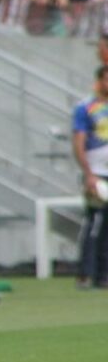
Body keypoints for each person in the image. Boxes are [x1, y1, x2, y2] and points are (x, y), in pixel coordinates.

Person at [72, 65, 108, 289]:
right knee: (94, 222)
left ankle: (103, 274)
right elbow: (79, 142)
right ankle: (85, 272)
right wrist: (88, 174)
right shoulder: (86, 107)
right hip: (97, 172)